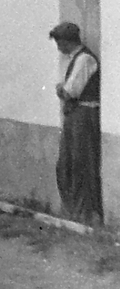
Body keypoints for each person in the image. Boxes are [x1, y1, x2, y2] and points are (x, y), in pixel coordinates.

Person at [51, 21, 102, 226]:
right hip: (74, 115)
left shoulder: (84, 59)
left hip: (84, 115)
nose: (58, 47)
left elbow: (69, 92)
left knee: (82, 163)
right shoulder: (73, 59)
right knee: (66, 164)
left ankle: (86, 213)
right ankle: (73, 210)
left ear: (67, 41)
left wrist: (61, 89)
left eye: (59, 43)